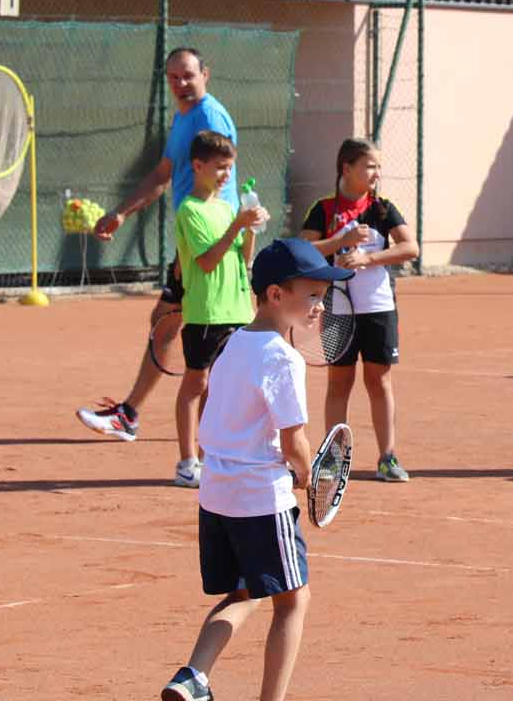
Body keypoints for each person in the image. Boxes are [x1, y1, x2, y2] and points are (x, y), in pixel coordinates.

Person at [160, 238, 351, 701]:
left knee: (246, 592)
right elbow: (293, 440)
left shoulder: (232, 344)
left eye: (323, 296)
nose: (319, 305)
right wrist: (307, 475)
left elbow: (216, 415)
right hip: (260, 497)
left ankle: (193, 676)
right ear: (275, 295)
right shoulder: (284, 358)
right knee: (294, 600)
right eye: (312, 294)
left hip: (216, 494)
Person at [77, 47, 239, 442]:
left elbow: (223, 179)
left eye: (188, 75)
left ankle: (212, 435)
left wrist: (212, 244)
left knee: (199, 337)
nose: (181, 83)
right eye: (173, 77)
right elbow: (163, 174)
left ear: (205, 75)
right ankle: (138, 415)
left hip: (208, 241)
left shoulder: (209, 118)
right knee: (168, 325)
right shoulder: (184, 118)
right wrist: (122, 212)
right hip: (197, 238)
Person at [300, 138, 420, 481]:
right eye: (370, 166)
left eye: (378, 166)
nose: (377, 173)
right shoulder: (323, 209)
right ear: (347, 168)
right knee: (339, 382)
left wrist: (368, 257)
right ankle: (332, 460)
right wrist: (341, 242)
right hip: (337, 307)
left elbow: (410, 248)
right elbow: (303, 250)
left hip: (378, 307)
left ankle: (387, 458)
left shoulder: (382, 208)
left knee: (379, 379)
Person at [171, 131, 269, 488]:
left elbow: (243, 258)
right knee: (196, 384)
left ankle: (211, 456)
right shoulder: (190, 210)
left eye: (230, 168)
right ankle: (187, 462)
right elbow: (208, 261)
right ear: (198, 166)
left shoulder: (226, 208)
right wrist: (237, 225)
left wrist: (251, 228)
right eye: (220, 167)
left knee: (222, 388)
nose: (226, 175)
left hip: (237, 311)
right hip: (205, 313)